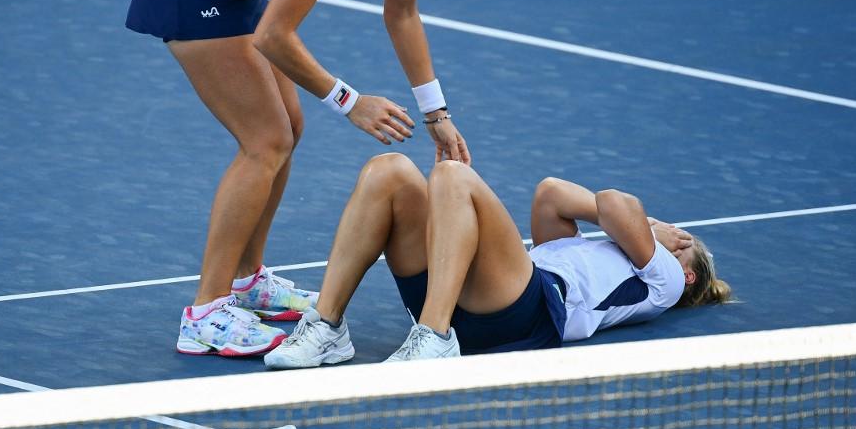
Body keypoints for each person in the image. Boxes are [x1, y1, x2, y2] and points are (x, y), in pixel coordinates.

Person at [125, 0, 482, 356]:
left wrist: (437, 113)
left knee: (288, 127)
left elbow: (402, 15)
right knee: (264, 140)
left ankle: (248, 281)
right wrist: (350, 102)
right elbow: (273, 35)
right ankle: (204, 314)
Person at [264, 153, 732, 368]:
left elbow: (613, 203)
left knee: (453, 176)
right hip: (478, 294)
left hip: (526, 314)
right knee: (389, 171)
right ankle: (327, 327)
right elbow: (550, 193)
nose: (673, 233)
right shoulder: (585, 252)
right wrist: (634, 231)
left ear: (687, 270)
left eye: (682, 240)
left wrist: (651, 229)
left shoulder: (667, 282)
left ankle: (434, 337)